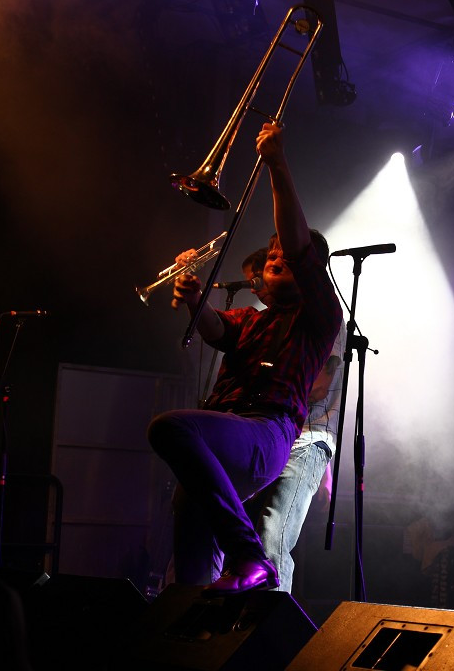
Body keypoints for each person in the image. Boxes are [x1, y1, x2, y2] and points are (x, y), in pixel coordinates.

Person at [147, 123, 342, 593]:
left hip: (265, 432)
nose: (274, 254)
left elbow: (296, 243)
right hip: (230, 429)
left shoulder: (319, 315)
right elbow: (215, 330)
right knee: (190, 569)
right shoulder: (251, 319)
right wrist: (195, 300)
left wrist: (276, 163)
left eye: (284, 255)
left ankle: (249, 556)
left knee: (171, 427)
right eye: (271, 253)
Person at [242, 242, 346, 592]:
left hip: (305, 438)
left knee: (274, 533)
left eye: (260, 280)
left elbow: (318, 386)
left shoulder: (317, 317)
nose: (258, 288)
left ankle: (267, 632)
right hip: (271, 432)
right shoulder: (269, 322)